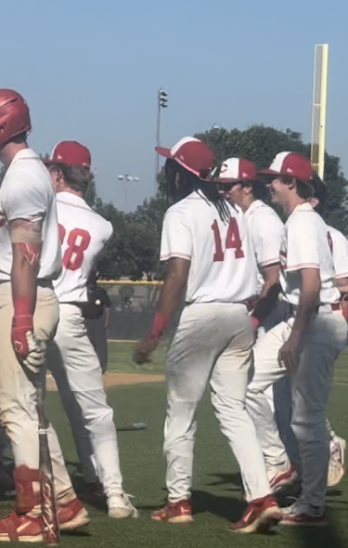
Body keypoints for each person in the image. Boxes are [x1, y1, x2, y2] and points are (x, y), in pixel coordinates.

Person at [133, 136, 280, 532]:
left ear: (182, 174)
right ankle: (261, 496)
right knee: (234, 411)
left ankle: (178, 501)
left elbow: (178, 273)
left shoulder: (181, 212)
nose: (166, 174)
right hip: (238, 315)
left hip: (202, 315)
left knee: (181, 413)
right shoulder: (234, 211)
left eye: (170, 168)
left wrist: (156, 330)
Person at [0, 89, 89, 542]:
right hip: (27, 291)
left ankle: (31, 513)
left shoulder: (21, 179)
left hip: (24, 296)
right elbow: (7, 245)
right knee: (30, 409)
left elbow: (25, 256)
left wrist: (21, 319)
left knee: (14, 409)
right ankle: (65, 502)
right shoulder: (25, 173)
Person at [246, 154, 347, 525]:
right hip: (303, 320)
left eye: (275, 179)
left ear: (292, 182)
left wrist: (296, 337)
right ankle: (279, 463)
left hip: (314, 323)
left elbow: (311, 284)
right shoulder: (300, 221)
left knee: (307, 419)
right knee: (247, 382)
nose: (269, 184)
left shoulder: (304, 223)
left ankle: (312, 505)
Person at [45, 140, 137, 519]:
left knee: (25, 407)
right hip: (70, 316)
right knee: (92, 410)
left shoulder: (40, 208)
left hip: (33, 307)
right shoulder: (102, 226)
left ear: (56, 174)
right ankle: (113, 493)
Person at [216, 158, 298, 490]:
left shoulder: (263, 220)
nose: (222, 192)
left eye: (228, 186)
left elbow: (274, 280)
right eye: (219, 186)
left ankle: (289, 460)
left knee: (268, 395)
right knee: (272, 398)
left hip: (274, 313)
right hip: (264, 313)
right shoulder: (241, 216)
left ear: (247, 187)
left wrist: (253, 319)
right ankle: (288, 468)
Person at [84, 273, 111, 373]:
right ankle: (87, 366)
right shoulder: (83, 292)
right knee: (87, 344)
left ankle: (102, 367)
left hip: (98, 320)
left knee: (101, 344)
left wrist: (106, 320)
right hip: (86, 320)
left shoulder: (100, 292)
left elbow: (107, 306)